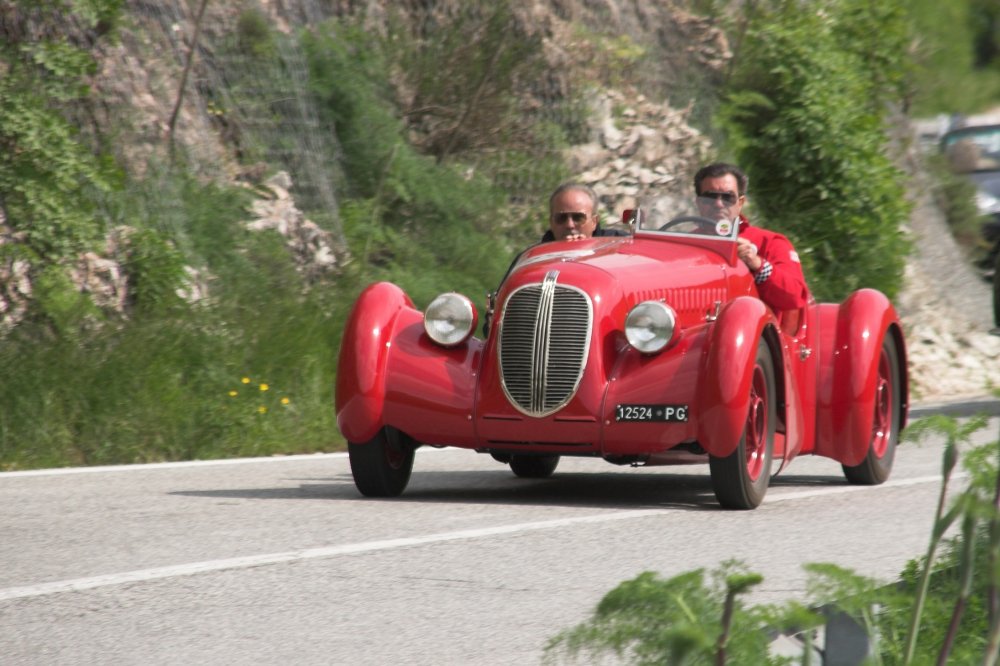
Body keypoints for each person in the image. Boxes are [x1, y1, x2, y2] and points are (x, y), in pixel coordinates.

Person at [693, 162, 809, 311]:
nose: (719, 204)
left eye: (727, 197)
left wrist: (757, 264)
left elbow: (795, 297)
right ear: (699, 203)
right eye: (710, 197)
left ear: (740, 203)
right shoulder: (686, 244)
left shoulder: (770, 242)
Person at [541, 183, 629, 242]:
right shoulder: (536, 259)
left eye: (578, 218)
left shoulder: (618, 244)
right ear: (551, 222)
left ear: (594, 222)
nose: (569, 225)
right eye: (561, 218)